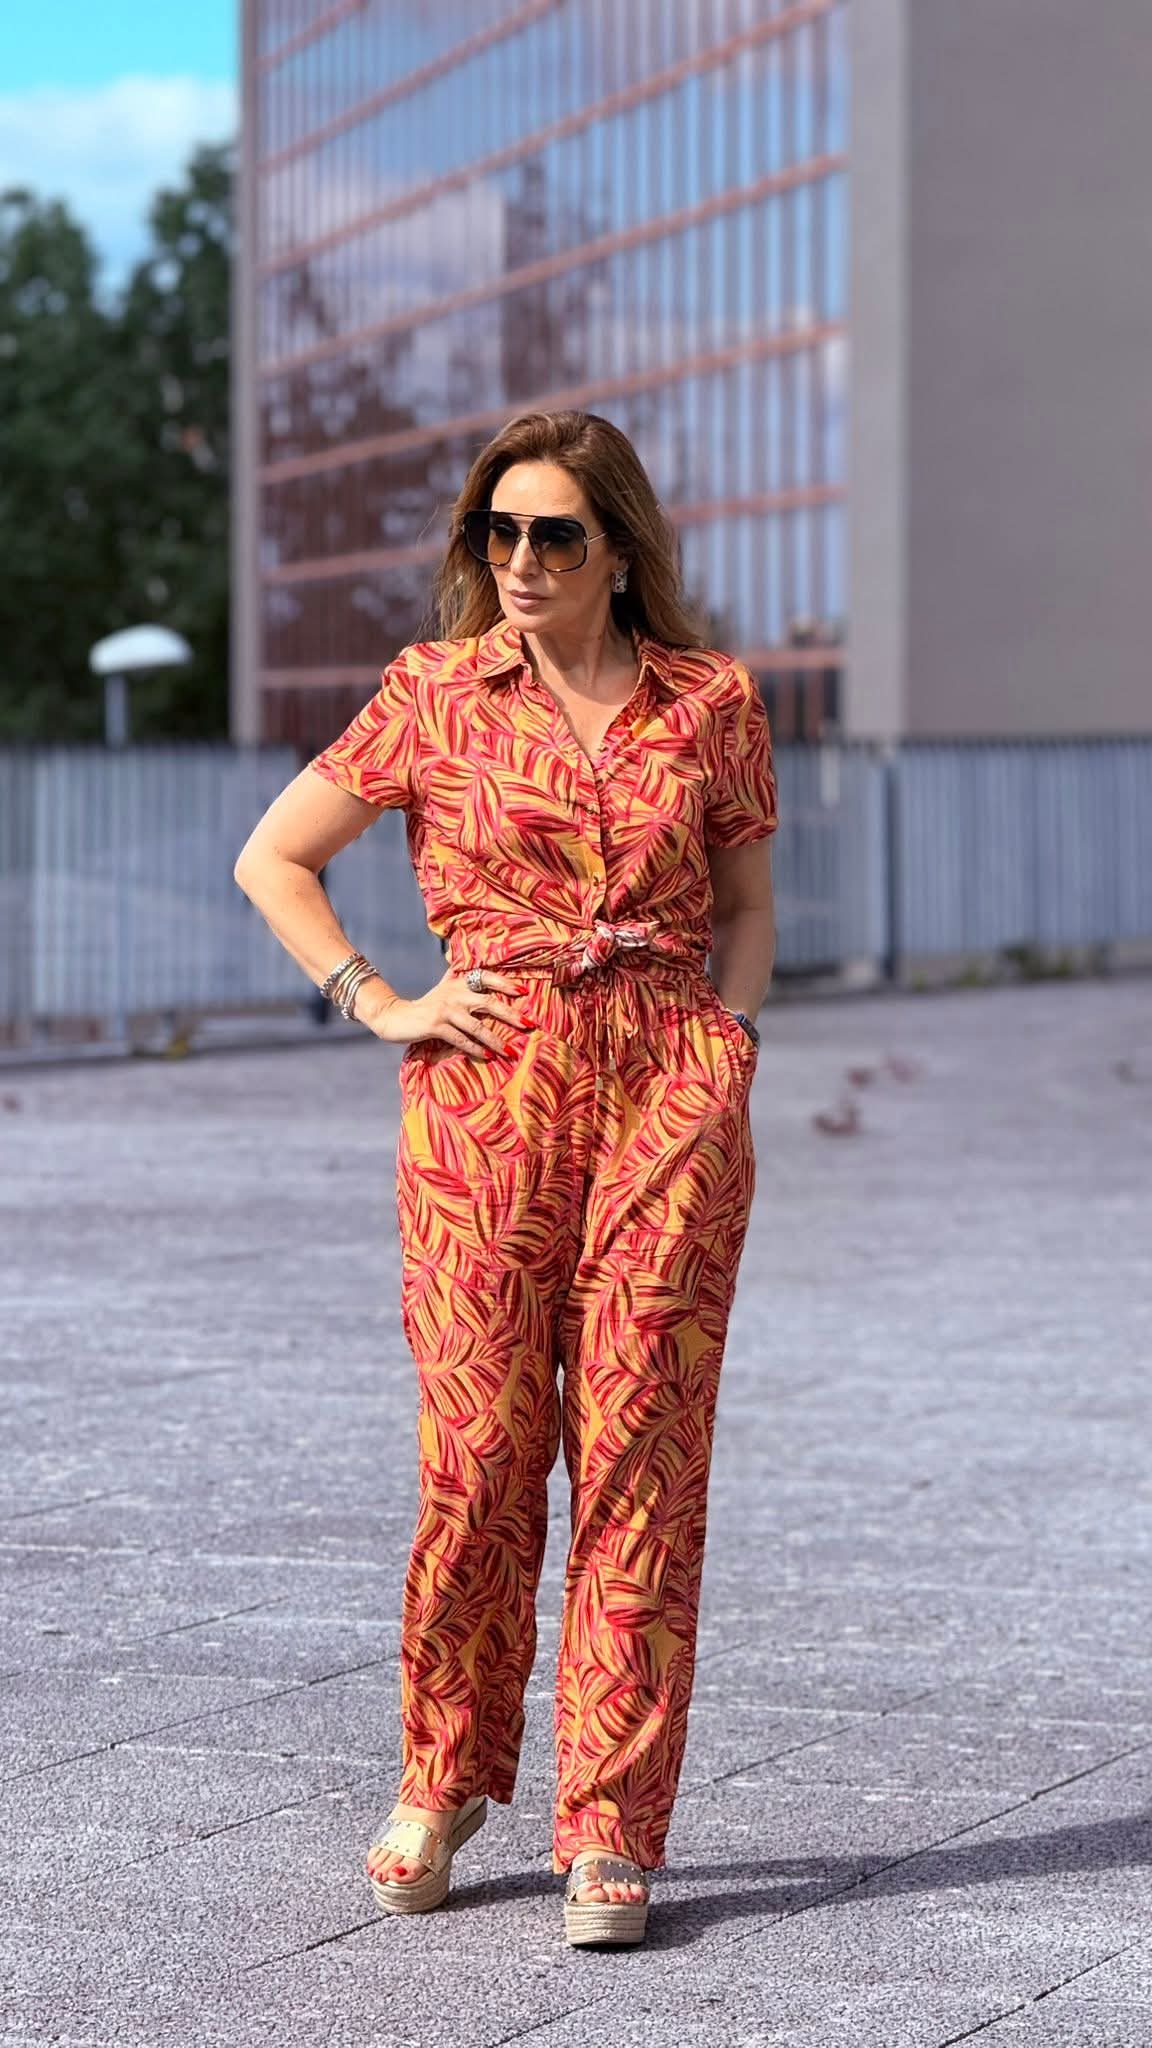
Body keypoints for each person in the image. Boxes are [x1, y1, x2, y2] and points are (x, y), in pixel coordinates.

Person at [233, 408, 778, 1948]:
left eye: (556, 534)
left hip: (668, 1089)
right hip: (484, 1092)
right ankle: (445, 1772)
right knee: (478, 1456)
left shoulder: (711, 702)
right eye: (500, 531)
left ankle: (611, 1823)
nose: (522, 560)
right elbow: (276, 857)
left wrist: (727, 1046)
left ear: (620, 551)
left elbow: (747, 901)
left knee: (641, 1455)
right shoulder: (433, 692)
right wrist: (378, 1000)